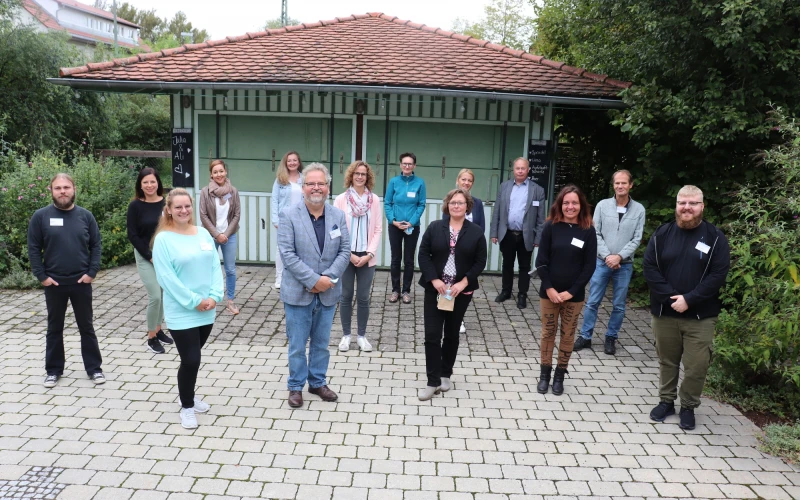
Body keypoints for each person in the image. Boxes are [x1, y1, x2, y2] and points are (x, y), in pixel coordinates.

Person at [643, 185, 730, 430]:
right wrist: (673, 298)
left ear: (702, 206)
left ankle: (689, 406)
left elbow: (718, 275)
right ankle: (666, 402)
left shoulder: (715, 237)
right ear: (677, 205)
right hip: (665, 313)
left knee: (697, 365)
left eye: (692, 203)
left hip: (700, 315)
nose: (687, 208)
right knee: (667, 361)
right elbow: (649, 268)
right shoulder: (662, 234)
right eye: (682, 203)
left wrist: (689, 300)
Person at [278, 163, 350, 408]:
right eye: (311, 183)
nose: (316, 188)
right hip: (298, 292)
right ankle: (295, 386)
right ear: (303, 186)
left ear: (328, 187)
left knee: (321, 344)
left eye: (321, 183)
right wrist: (313, 280)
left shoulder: (338, 216)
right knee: (297, 345)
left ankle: (317, 382)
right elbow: (287, 254)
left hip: (328, 292)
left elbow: (344, 250)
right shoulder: (288, 215)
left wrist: (326, 279)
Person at [153, 188, 224, 430]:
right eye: (178, 207)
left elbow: (215, 266)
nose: (184, 211)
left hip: (207, 309)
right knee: (191, 359)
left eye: (187, 206)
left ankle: (191, 397)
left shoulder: (203, 234)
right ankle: (186, 407)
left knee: (193, 358)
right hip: (183, 310)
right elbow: (167, 278)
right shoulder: (163, 240)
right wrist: (194, 300)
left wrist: (215, 296)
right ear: (169, 210)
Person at [28, 173, 104, 388]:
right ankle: (53, 370)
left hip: (81, 281)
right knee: (54, 328)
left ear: (74, 189)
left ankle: (94, 369)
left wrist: (92, 272)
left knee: (86, 327)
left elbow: (96, 246)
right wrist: (42, 276)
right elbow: (33, 248)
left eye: (66, 187)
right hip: (54, 283)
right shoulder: (40, 217)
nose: (62, 191)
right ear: (50, 191)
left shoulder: (85, 216)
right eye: (58, 188)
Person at [418, 188, 487, 400]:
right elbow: (423, 254)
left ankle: (445, 373)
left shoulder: (475, 232)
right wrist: (434, 279)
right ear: (447, 206)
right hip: (435, 289)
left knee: (451, 334)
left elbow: (480, 261)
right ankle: (432, 381)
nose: (456, 206)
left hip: (460, 292)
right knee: (432, 334)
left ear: (467, 206)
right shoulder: (434, 227)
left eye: (460, 203)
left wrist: (464, 282)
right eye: (452, 203)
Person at [534, 185, 597, 396]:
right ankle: (544, 376)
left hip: (574, 295)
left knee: (568, 335)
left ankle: (560, 376)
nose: (570, 206)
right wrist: (550, 288)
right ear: (560, 204)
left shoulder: (588, 230)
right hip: (549, 293)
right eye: (566, 202)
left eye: (575, 203)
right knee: (548, 333)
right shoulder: (551, 226)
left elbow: (589, 266)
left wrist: (571, 292)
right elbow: (541, 261)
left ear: (581, 206)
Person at [575, 170, 646, 355]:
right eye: (617, 183)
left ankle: (611, 338)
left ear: (631, 185)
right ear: (613, 185)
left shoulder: (639, 209)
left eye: (624, 183)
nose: (620, 186)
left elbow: (637, 239)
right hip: (601, 262)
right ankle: (585, 336)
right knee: (592, 301)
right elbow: (595, 233)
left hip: (625, 264)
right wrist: (608, 256)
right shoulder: (602, 206)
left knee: (619, 304)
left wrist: (619, 257)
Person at [333, 161, 382, 352]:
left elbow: (378, 228)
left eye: (363, 174)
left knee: (363, 297)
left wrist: (370, 253)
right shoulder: (340, 200)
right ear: (351, 176)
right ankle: (346, 336)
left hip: (367, 256)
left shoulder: (375, 200)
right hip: (346, 255)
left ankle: (361, 336)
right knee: (345, 296)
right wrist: (349, 254)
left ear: (368, 177)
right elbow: (335, 229)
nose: (360, 177)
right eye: (357, 174)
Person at [126, 167, 174, 354]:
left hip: (164, 255)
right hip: (145, 255)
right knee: (154, 295)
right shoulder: (135, 206)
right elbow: (132, 235)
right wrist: (149, 256)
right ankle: (151, 338)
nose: (149, 185)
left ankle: (159, 329)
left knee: (163, 294)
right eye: (145, 182)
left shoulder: (166, 204)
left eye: (152, 181)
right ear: (140, 184)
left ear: (158, 183)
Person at [490, 157, 546, 309]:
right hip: (507, 233)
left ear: (528, 170)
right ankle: (506, 291)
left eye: (523, 168)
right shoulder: (504, 187)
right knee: (507, 264)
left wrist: (538, 237)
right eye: (517, 168)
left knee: (524, 266)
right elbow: (497, 212)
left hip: (526, 235)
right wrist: (494, 232)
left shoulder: (538, 190)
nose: (520, 171)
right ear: (513, 170)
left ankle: (522, 294)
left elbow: (541, 218)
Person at [443, 169, 486, 334]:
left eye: (469, 180)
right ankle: (447, 315)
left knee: (465, 286)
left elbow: (481, 227)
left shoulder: (478, 203)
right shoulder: (451, 199)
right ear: (457, 180)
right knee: (450, 285)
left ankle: (459, 318)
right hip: (452, 251)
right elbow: (444, 224)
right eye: (464, 179)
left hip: (469, 252)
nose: (466, 183)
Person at [199, 159, 241, 315]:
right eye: (215, 172)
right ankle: (208, 299)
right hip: (210, 235)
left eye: (221, 171)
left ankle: (230, 300)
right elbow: (203, 215)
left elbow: (237, 214)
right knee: (208, 267)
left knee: (230, 269)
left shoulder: (233, 191)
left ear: (226, 172)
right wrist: (217, 234)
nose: (219, 174)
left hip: (229, 235)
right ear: (211, 174)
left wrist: (225, 234)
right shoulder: (205, 192)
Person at [384, 152, 426, 304]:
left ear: (414, 166)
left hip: (412, 227)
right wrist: (392, 220)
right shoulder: (394, 182)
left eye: (410, 164)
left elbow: (421, 204)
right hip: (395, 226)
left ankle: (406, 291)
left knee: (408, 260)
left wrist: (412, 222)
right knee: (396, 259)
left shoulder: (420, 182)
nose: (407, 166)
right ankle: (395, 290)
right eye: (404, 163)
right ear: (400, 165)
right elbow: (387, 202)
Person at [270, 151, 304, 289]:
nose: (292, 163)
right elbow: (274, 200)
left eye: (295, 160)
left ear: (299, 162)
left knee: (300, 248)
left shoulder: (304, 178)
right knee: (281, 249)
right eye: (289, 161)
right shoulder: (280, 179)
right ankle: (279, 278)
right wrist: (275, 220)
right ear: (285, 163)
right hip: (284, 219)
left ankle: (297, 276)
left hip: (301, 219)